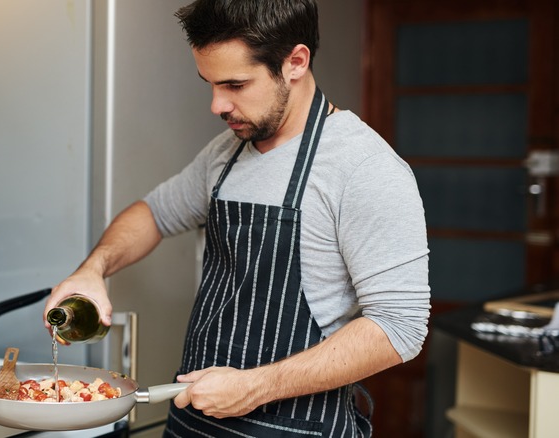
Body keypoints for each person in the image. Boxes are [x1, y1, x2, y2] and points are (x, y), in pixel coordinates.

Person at [44, 0, 430, 436]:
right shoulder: (225, 155)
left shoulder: (365, 168)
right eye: (209, 83)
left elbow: (399, 328)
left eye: (235, 84)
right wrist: (93, 270)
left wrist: (255, 386)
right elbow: (153, 213)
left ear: (295, 63)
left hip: (294, 428)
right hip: (194, 420)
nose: (216, 105)